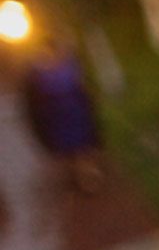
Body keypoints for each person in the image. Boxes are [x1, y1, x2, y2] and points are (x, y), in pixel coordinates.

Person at [20, 36, 105, 193]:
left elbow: (81, 87)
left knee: (83, 148)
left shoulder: (68, 64)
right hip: (59, 117)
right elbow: (34, 99)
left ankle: (88, 178)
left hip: (75, 113)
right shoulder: (37, 71)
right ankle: (83, 176)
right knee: (74, 149)